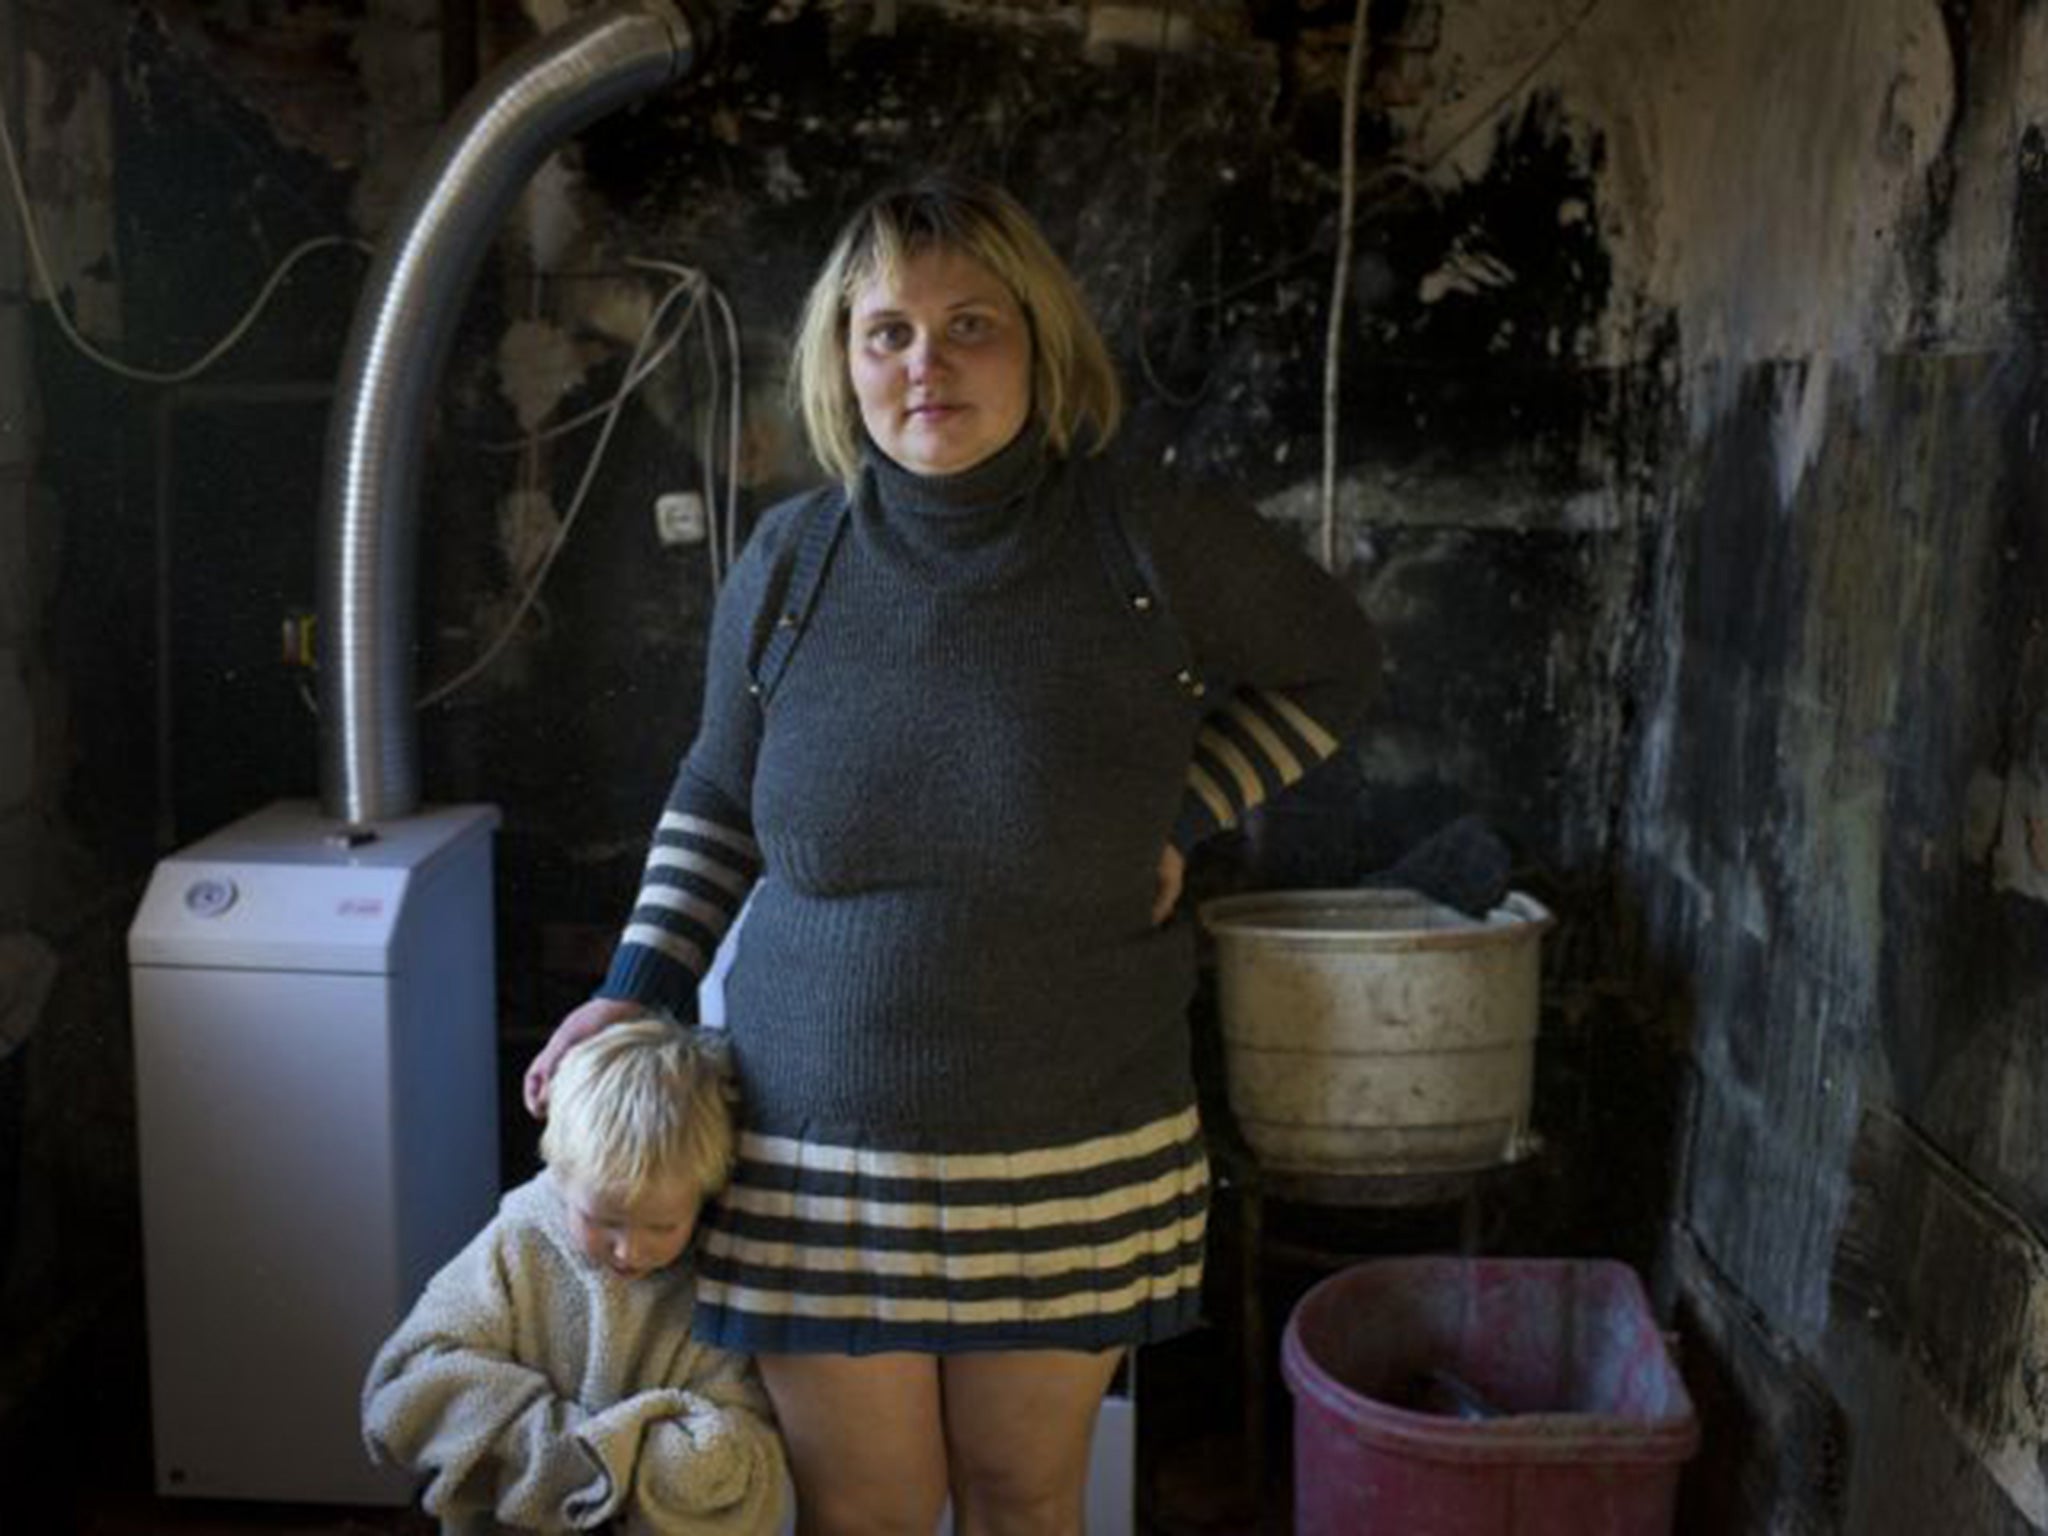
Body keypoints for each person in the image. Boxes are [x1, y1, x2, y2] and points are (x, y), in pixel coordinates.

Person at [523, 172, 1381, 1536]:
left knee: (1023, 1502)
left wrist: (1184, 807)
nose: (926, 363)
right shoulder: (791, 563)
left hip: (1074, 1146)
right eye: (887, 332)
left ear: (1040, 342)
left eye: (971, 324)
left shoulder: (1152, 543)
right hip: (810, 1148)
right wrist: (635, 984)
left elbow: (1336, 670)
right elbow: (718, 793)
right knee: (866, 1513)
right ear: (841, 360)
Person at [363, 1017, 787, 1536]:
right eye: (602, 1221)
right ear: (561, 1176)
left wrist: (577, 1457)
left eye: (662, 1225)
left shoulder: (716, 1275)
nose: (629, 1249)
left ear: (703, 1197)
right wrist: (588, 1453)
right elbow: (408, 1385)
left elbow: (739, 1451)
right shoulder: (519, 1240)